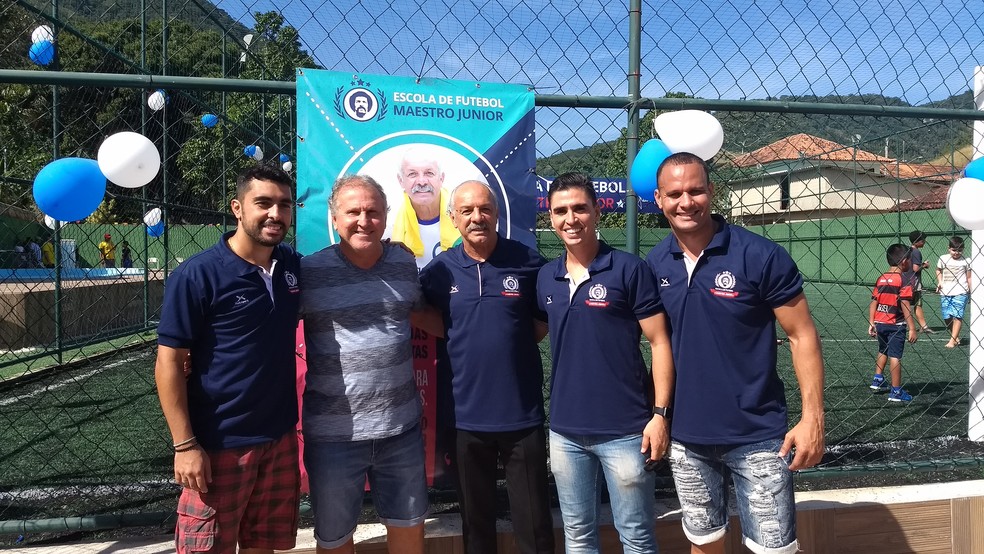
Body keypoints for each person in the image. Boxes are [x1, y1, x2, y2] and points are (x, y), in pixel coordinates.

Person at [645, 153, 825, 554]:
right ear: (658, 199)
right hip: (687, 436)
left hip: (758, 436)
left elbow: (802, 335)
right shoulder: (655, 262)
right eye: (675, 194)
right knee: (704, 542)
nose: (686, 202)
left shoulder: (760, 255)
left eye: (695, 190)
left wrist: (813, 416)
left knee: (773, 549)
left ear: (711, 191)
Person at [154, 165, 302, 553]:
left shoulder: (291, 266)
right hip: (219, 443)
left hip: (280, 436)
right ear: (237, 208)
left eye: (284, 204)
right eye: (263, 203)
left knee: (263, 547)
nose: (275, 214)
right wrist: (184, 446)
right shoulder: (198, 275)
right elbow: (169, 362)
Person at [537, 172, 674, 554]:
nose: (571, 218)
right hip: (565, 432)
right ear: (550, 217)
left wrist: (660, 414)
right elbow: (528, 331)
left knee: (636, 536)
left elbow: (660, 341)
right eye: (561, 210)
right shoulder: (546, 277)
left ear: (598, 211)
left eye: (580, 208)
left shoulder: (628, 269)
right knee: (577, 536)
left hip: (627, 432)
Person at [418, 181, 554, 554]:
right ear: (453, 218)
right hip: (464, 418)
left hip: (521, 415)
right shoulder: (439, 271)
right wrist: (458, 333)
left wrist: (508, 340)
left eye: (485, 209)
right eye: (467, 211)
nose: (477, 218)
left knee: (534, 524)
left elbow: (539, 323)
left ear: (496, 214)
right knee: (476, 525)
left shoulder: (528, 263)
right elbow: (422, 314)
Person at [300, 174, 427, 554]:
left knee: (409, 530)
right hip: (333, 437)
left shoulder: (405, 262)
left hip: (401, 430)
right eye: (352, 211)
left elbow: (425, 314)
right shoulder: (309, 272)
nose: (363, 220)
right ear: (334, 218)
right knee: (335, 539)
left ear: (386, 217)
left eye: (373, 211)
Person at [392, 146, 460, 269]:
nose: (422, 182)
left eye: (429, 173)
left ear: (441, 178)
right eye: (412, 174)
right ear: (401, 180)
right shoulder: (387, 227)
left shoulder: (464, 218)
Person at [867, 244, 918, 402]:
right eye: (909, 259)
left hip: (880, 322)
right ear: (904, 261)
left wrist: (871, 322)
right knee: (895, 356)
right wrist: (912, 327)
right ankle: (896, 391)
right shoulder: (903, 280)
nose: (910, 262)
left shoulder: (881, 278)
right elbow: (905, 304)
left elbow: (874, 301)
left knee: (883, 350)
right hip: (896, 325)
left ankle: (878, 379)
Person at [936, 236, 972, 349]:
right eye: (954, 250)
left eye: (960, 250)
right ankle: (955, 335)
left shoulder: (966, 261)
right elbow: (938, 270)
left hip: (961, 291)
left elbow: (969, 277)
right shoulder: (943, 258)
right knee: (947, 316)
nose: (957, 253)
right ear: (949, 248)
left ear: (963, 249)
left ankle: (952, 340)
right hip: (946, 291)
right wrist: (940, 282)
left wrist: (970, 291)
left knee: (957, 315)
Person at [903, 230, 934, 333]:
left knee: (904, 303)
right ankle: (923, 326)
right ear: (917, 241)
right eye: (923, 240)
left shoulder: (906, 250)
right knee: (918, 303)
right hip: (913, 282)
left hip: (904, 281)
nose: (924, 242)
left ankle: (921, 325)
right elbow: (916, 268)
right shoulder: (916, 252)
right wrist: (924, 265)